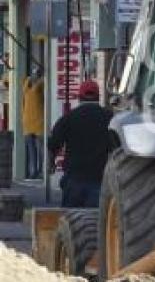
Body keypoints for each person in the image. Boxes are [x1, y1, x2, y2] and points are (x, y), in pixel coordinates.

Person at [47, 79, 113, 208]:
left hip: (74, 179)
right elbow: (116, 147)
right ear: (99, 97)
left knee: (71, 221)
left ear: (79, 97)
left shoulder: (68, 118)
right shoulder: (109, 118)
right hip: (99, 179)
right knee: (94, 222)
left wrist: (51, 163)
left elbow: (53, 143)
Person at [22, 66, 45, 179]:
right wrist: (32, 76)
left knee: (41, 149)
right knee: (31, 150)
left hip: (39, 121)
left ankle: (41, 171)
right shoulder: (26, 84)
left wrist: (39, 76)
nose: (34, 75)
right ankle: (33, 171)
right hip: (27, 122)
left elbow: (44, 81)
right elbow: (27, 80)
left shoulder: (41, 84)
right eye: (34, 73)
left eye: (37, 73)